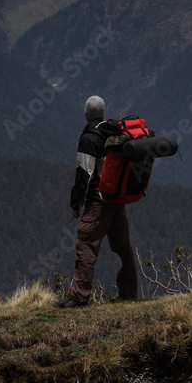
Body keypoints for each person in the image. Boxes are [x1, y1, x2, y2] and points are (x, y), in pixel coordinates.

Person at [54, 95, 138, 308]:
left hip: (99, 200)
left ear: (86, 114)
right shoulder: (114, 130)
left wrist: (76, 205)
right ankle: (129, 293)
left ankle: (79, 296)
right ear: (103, 112)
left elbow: (84, 173)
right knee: (123, 246)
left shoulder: (89, 138)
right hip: (117, 198)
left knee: (86, 244)